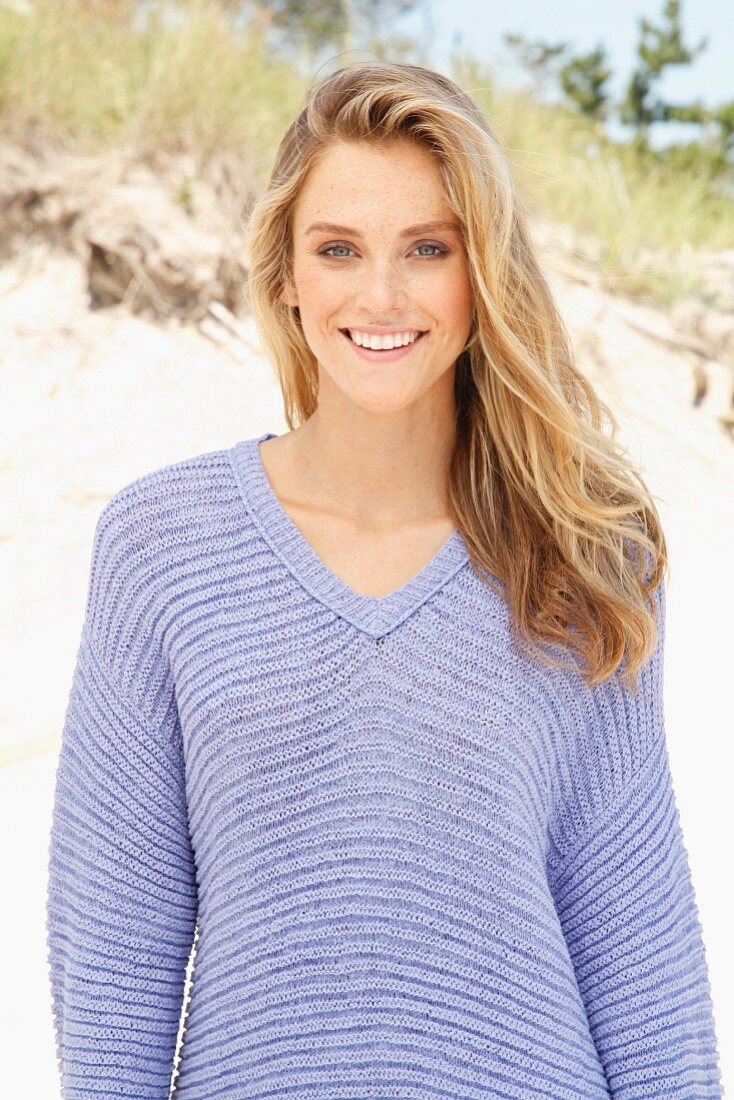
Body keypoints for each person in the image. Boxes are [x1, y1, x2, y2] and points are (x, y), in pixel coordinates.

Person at [45, 62, 724, 1099]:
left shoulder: (588, 549)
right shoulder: (161, 546)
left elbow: (632, 933)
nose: (380, 294)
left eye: (426, 249)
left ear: (479, 270)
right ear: (286, 273)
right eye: (336, 249)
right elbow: (114, 937)